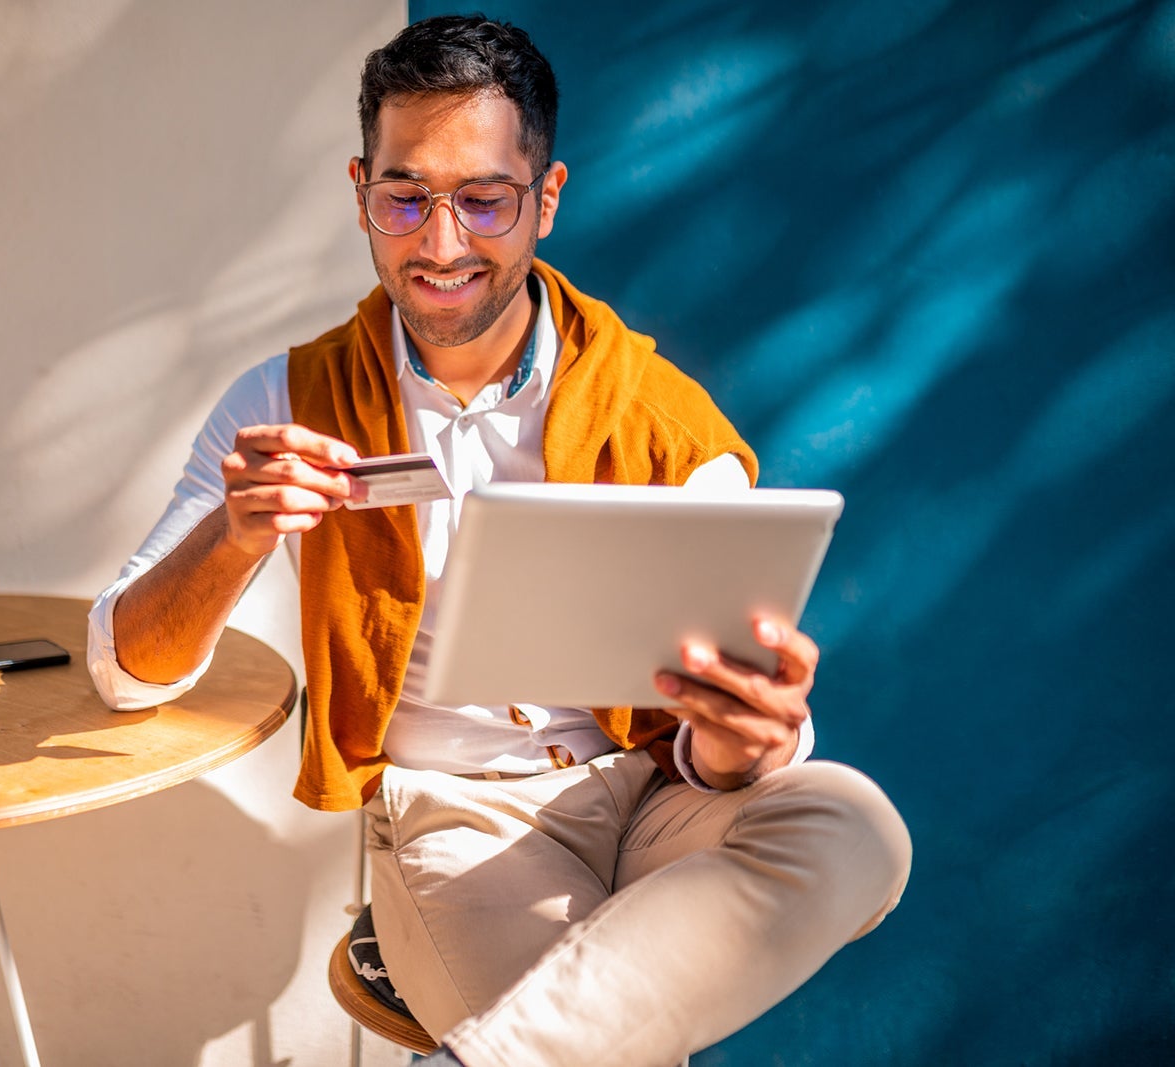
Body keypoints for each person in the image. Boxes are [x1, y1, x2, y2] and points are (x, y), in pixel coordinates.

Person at [89, 14, 911, 1066]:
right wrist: (231, 536)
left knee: (855, 823)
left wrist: (747, 743)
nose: (440, 244)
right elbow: (125, 673)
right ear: (359, 192)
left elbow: (717, 752)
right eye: (404, 197)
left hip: (653, 796)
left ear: (546, 199)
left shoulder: (659, 419)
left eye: (483, 199)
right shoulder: (286, 401)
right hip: (458, 818)